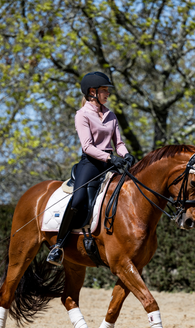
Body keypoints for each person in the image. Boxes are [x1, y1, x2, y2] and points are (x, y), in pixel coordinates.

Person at [47, 71, 135, 265]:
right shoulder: (82, 115)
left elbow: (118, 143)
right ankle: (58, 246)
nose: (108, 94)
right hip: (91, 163)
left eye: (107, 90)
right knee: (78, 200)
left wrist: (125, 154)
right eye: (104, 90)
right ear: (92, 92)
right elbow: (87, 146)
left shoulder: (111, 115)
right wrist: (109, 157)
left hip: (110, 164)